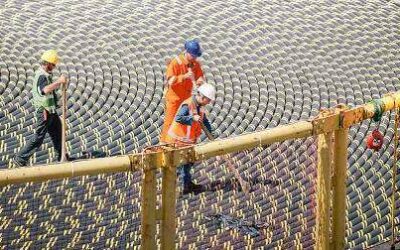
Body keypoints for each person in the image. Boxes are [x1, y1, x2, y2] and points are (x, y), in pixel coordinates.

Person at [13, 50, 67, 166]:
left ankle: (63, 157)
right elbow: (44, 90)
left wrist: (57, 103)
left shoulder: (46, 75)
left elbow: (49, 93)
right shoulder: (41, 76)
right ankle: (20, 158)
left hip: (50, 111)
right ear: (48, 63)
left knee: (58, 133)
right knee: (39, 136)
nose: (54, 67)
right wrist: (59, 81)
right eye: (53, 64)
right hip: (44, 111)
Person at [165, 83, 216, 194]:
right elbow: (179, 118)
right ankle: (185, 187)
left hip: (188, 142)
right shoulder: (187, 105)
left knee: (188, 163)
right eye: (208, 100)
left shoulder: (201, 107)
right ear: (202, 97)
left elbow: (205, 121)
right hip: (178, 141)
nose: (209, 102)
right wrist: (192, 117)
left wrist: (211, 135)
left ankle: (185, 183)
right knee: (183, 165)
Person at [160, 39, 205, 143]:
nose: (194, 58)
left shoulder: (195, 64)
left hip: (186, 100)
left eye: (196, 56)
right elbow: (170, 80)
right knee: (170, 122)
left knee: (185, 122)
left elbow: (200, 76)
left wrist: (200, 80)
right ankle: (165, 144)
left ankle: (181, 143)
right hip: (174, 99)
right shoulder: (176, 63)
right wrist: (184, 76)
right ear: (187, 53)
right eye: (193, 56)